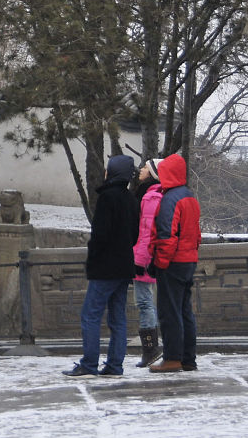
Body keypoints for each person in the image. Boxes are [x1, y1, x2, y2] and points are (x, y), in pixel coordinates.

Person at [64, 155, 140, 377]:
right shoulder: (131, 199)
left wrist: (94, 259)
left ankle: (89, 364)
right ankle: (115, 365)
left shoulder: (107, 198)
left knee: (90, 315)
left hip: (105, 267)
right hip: (124, 266)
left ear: (112, 172)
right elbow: (135, 235)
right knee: (118, 318)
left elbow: (100, 235)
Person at [147, 153, 202, 373]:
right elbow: (196, 233)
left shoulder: (170, 199)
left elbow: (167, 235)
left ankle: (172, 358)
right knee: (185, 311)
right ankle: (188, 358)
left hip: (173, 262)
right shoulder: (189, 196)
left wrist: (160, 262)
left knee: (169, 312)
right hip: (189, 260)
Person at [133, 158, 162, 367]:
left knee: (144, 302)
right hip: (150, 255)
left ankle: (150, 349)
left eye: (145, 167)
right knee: (148, 302)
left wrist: (139, 259)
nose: (141, 170)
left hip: (145, 257)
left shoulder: (150, 196)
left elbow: (146, 233)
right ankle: (152, 348)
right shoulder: (158, 193)